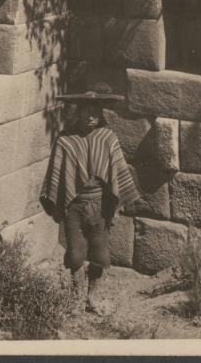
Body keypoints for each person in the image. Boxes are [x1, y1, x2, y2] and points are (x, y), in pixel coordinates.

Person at [39, 91, 140, 315]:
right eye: (86, 112)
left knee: (100, 253)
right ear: (78, 113)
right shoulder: (65, 140)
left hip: (99, 205)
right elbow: (56, 175)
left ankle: (92, 297)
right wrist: (57, 205)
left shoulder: (108, 138)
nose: (90, 117)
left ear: (101, 115)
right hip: (73, 205)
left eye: (95, 113)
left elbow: (117, 173)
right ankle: (76, 299)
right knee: (75, 252)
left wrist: (115, 206)